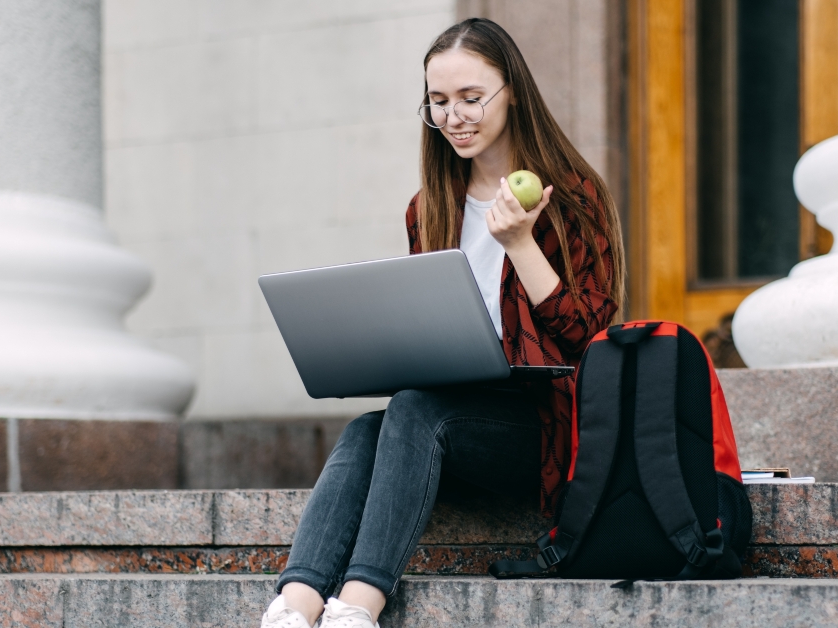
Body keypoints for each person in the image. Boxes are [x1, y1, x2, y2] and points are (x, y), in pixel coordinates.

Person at [260, 17, 625, 628]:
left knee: (412, 411)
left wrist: (520, 244)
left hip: (542, 432)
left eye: (470, 97)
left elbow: (587, 337)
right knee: (366, 429)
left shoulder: (571, 196)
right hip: (448, 421)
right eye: (439, 101)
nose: (454, 117)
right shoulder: (429, 207)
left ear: (513, 93)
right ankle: (294, 606)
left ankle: (358, 606)